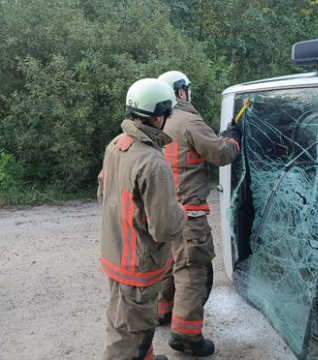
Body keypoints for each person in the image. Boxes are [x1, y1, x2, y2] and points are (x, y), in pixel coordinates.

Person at [97, 78, 186, 360]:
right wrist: (182, 212)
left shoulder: (117, 144)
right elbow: (165, 227)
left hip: (117, 254)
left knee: (133, 322)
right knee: (127, 337)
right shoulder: (152, 162)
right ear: (158, 117)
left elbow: (103, 194)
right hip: (138, 266)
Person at [156, 70, 242, 356]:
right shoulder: (188, 120)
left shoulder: (158, 123)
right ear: (181, 92)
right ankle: (186, 335)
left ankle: (163, 311)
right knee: (193, 270)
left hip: (164, 211)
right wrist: (233, 139)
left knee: (170, 262)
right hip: (189, 214)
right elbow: (219, 154)